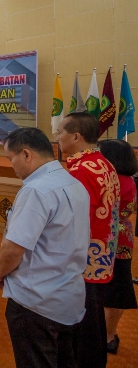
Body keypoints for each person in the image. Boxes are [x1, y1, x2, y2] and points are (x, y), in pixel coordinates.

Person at [0, 127, 90, 368]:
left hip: (36, 303)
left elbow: (14, 248)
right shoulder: (72, 182)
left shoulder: (36, 190)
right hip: (69, 296)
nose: (11, 166)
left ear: (26, 154)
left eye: (10, 158)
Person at [56, 112, 120, 368]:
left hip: (85, 257)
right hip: (102, 254)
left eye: (60, 132)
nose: (57, 137)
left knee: (83, 322)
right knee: (93, 316)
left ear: (75, 136)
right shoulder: (104, 162)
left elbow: (71, 217)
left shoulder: (81, 170)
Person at [98, 140, 138, 355]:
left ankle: (106, 334)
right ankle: (109, 335)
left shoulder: (111, 180)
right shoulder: (129, 180)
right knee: (119, 286)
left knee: (109, 287)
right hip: (123, 236)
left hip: (106, 237)